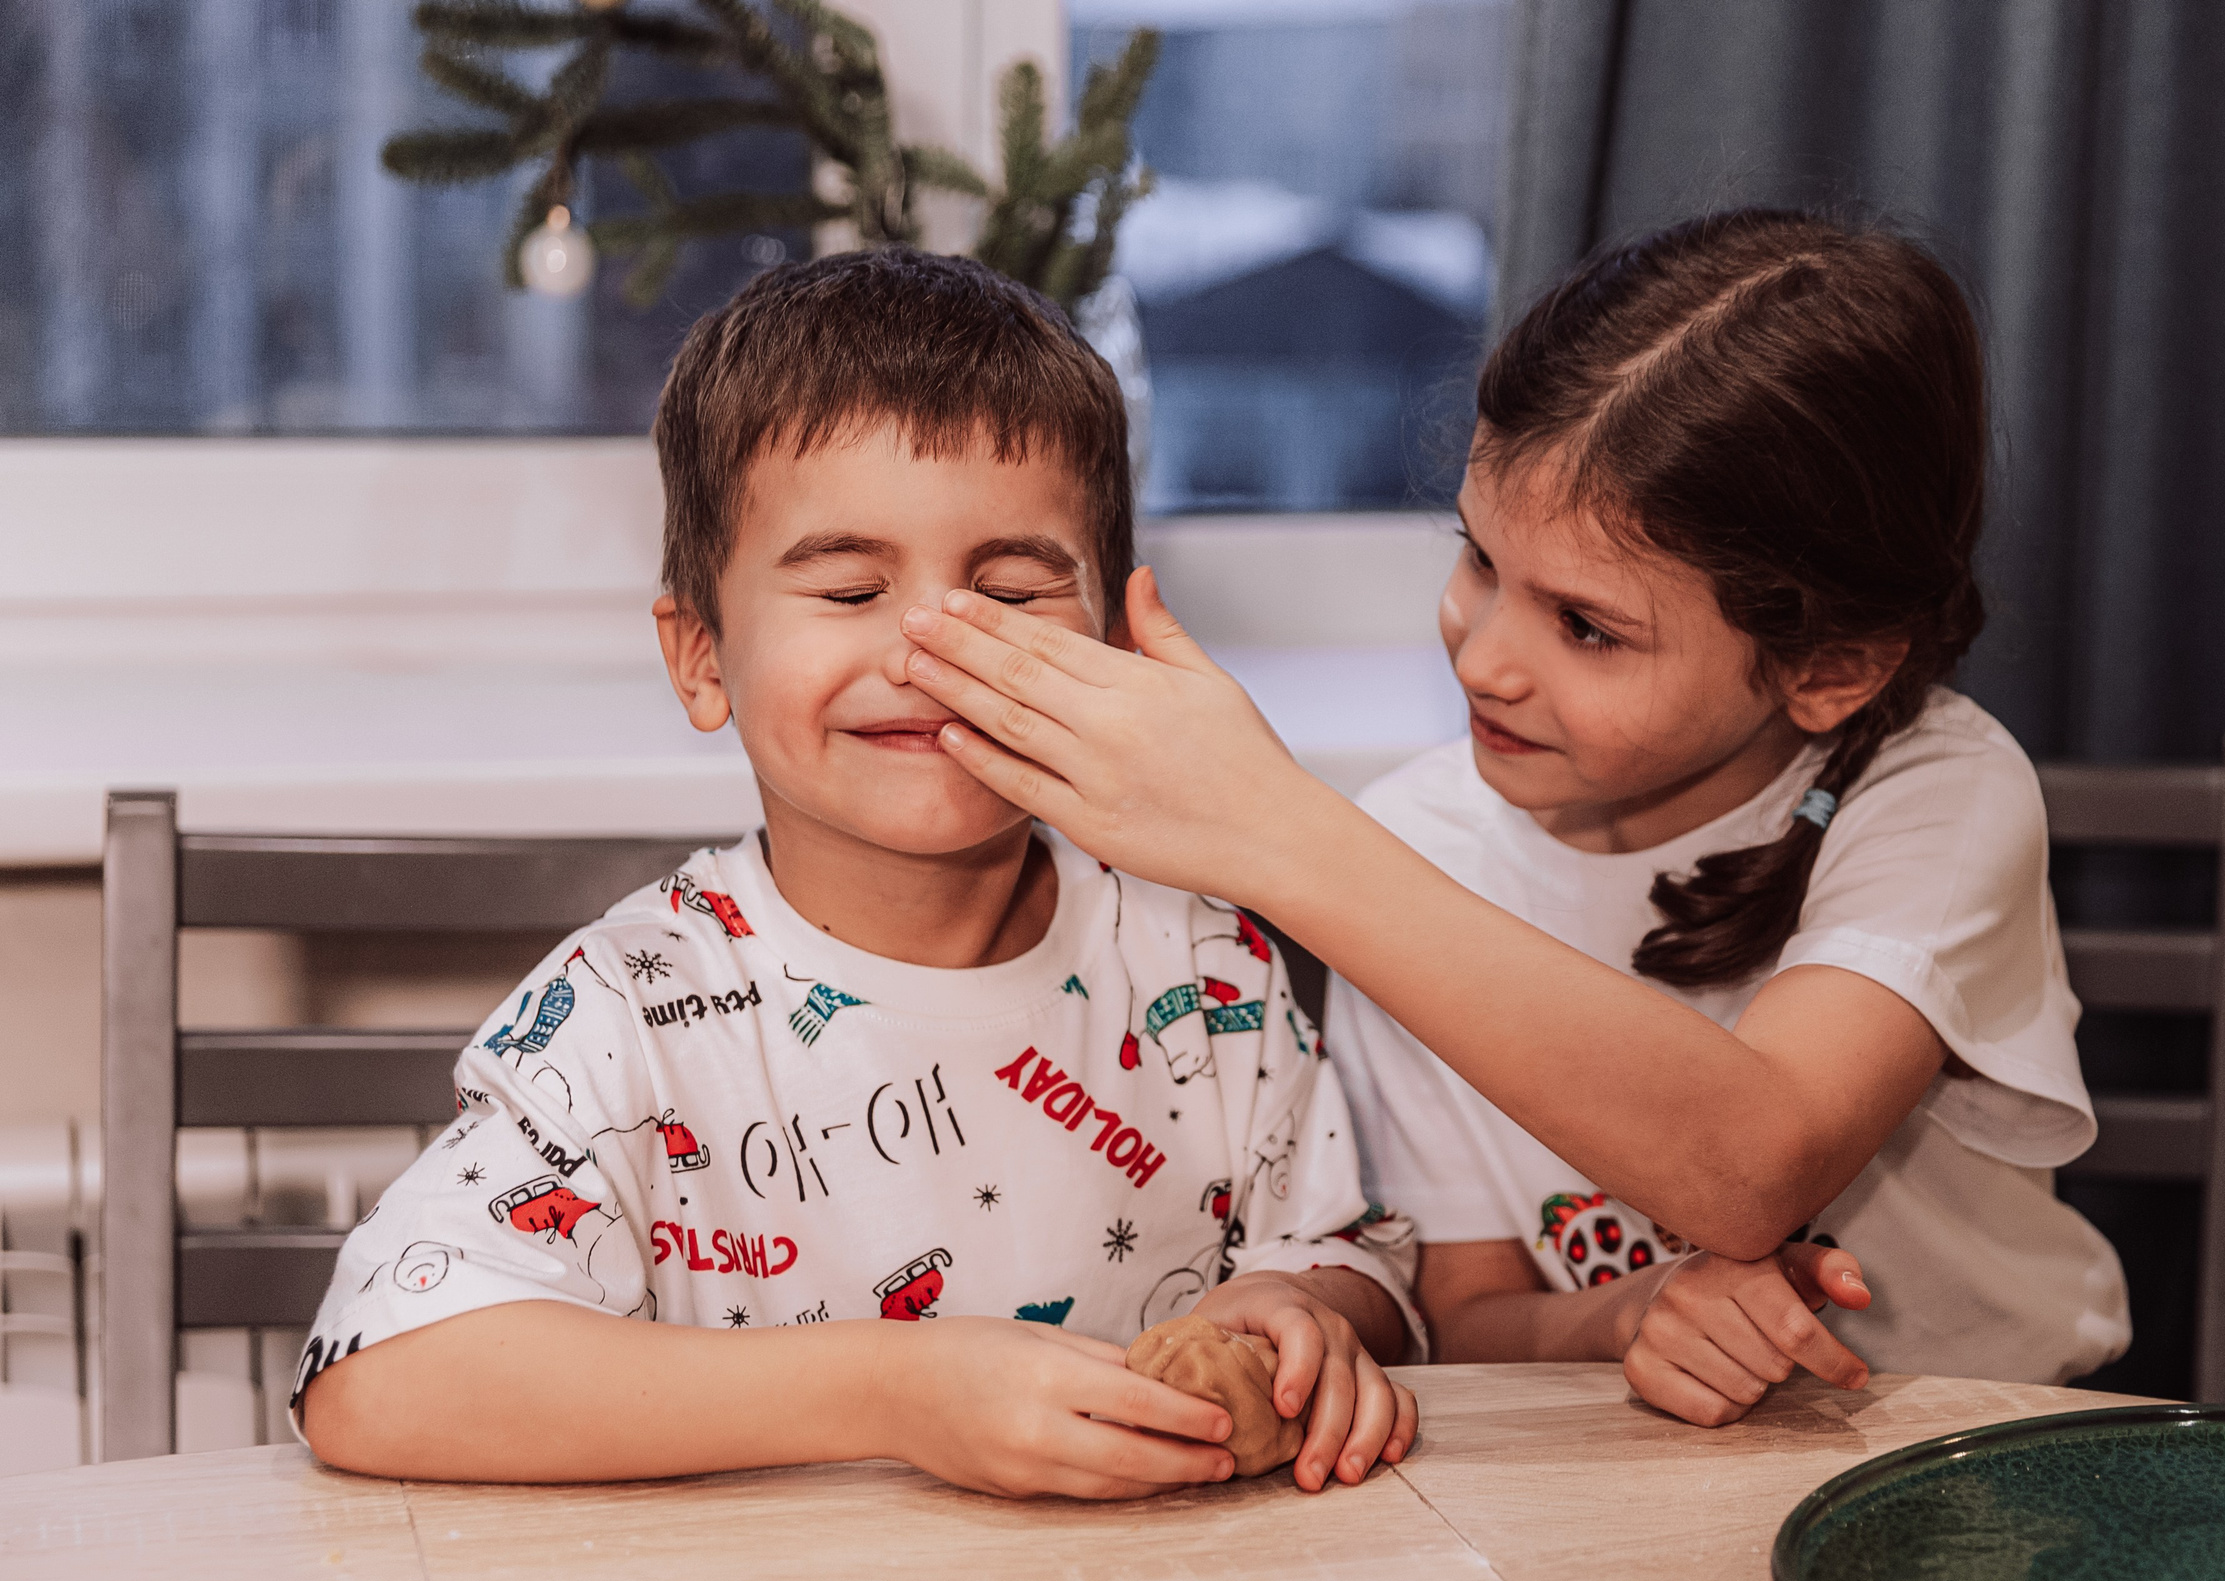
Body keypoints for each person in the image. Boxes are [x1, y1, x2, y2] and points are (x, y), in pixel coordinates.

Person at [891, 210, 2132, 1425]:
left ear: (1831, 666)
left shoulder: (1933, 789)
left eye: (1587, 626)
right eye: (1479, 560)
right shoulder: (1417, 847)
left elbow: (1757, 1161)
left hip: (1992, 1440)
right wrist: (1628, 1318)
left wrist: (1276, 830)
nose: (1485, 659)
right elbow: (1469, 1309)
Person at [297, 250, 1421, 1498]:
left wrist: (1291, 1308)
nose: (931, 649)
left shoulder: (1205, 963)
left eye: (1007, 589)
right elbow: (379, 1374)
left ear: (1106, 642)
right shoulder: (625, 1015)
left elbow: (1343, 1249)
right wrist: (897, 1388)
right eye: (848, 586)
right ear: (702, 656)